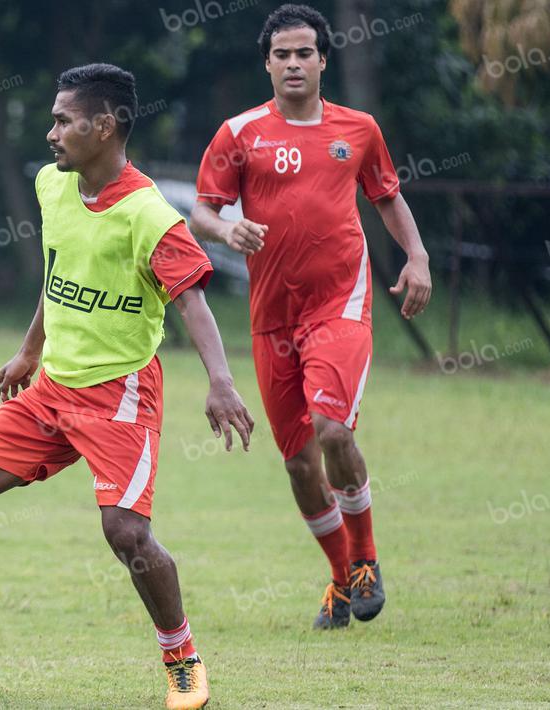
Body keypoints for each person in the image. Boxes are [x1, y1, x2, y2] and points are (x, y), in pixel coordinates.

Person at [0, 63, 254, 710]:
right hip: (53, 388)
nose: (50, 132)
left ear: (104, 125)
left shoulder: (148, 215)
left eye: (63, 120)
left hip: (118, 395)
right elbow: (59, 271)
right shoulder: (50, 187)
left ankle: (181, 659)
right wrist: (31, 349)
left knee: (126, 535)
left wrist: (221, 383)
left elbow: (193, 302)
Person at [188, 4, 432, 629]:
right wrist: (226, 228)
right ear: (266, 63)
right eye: (281, 54)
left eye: (304, 53)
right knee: (298, 463)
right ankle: (339, 578)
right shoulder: (239, 132)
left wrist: (418, 257)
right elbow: (202, 213)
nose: (293, 63)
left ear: (324, 60)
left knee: (332, 430)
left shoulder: (360, 129)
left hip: (339, 304)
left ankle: (367, 560)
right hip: (271, 317)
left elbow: (387, 197)